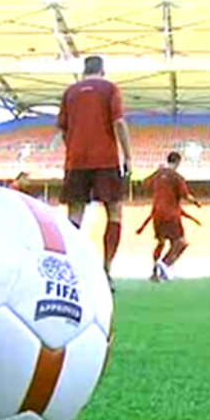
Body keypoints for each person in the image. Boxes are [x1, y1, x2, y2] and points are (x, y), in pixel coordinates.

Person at [58, 56, 133, 292]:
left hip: (76, 161)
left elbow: (63, 128)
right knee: (114, 211)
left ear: (84, 71)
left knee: (75, 214)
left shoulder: (70, 92)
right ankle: (106, 270)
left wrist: (74, 149)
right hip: (106, 160)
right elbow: (119, 123)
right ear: (102, 70)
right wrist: (128, 156)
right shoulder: (109, 88)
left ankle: (71, 270)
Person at [136, 152, 202, 282]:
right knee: (181, 242)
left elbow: (143, 185)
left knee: (161, 242)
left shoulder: (157, 173)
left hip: (156, 213)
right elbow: (186, 196)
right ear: (178, 162)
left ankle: (155, 273)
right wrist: (196, 202)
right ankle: (165, 265)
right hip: (171, 214)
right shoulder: (177, 177)